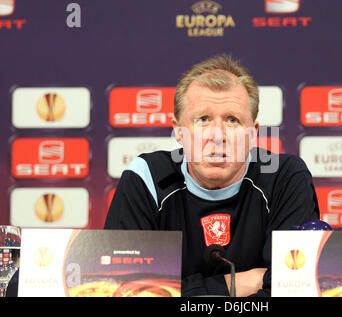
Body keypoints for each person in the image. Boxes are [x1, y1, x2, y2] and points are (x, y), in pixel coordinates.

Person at [104, 54, 320, 297]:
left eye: (232, 120)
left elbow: (295, 290)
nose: (217, 135)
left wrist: (178, 291)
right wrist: (235, 285)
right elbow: (122, 292)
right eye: (203, 120)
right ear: (178, 131)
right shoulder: (146, 179)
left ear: (252, 133)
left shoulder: (285, 177)